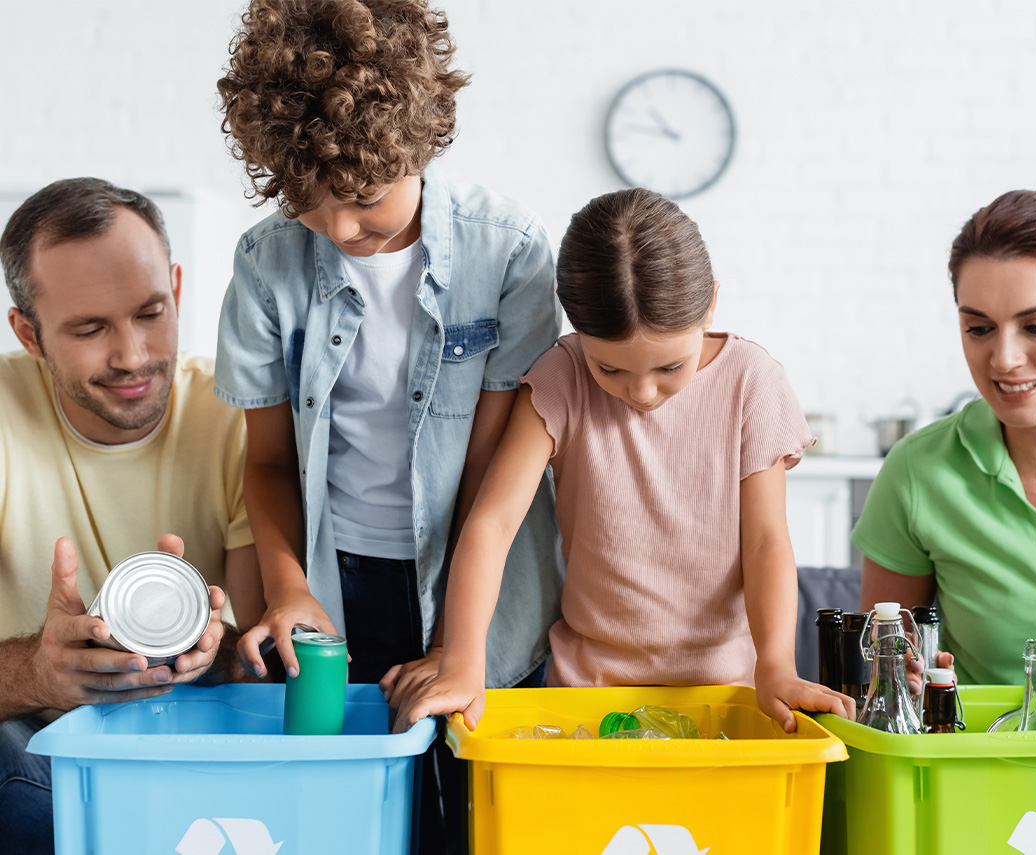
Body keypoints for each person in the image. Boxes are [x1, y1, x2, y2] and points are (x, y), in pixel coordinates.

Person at [213, 1, 563, 849]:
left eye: (364, 199)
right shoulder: (266, 263)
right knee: (358, 819)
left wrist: (458, 637)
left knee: (477, 816)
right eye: (306, 200)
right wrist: (291, 586)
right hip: (340, 583)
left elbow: (491, 480)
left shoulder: (508, 252)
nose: (337, 228)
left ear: (420, 144)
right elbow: (266, 464)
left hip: (481, 584)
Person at [396, 188, 856, 735]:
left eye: (669, 366)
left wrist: (777, 667)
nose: (642, 392)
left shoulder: (751, 382)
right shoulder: (562, 376)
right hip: (587, 693)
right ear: (576, 329)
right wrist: (464, 664)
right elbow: (492, 525)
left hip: (725, 692)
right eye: (610, 370)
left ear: (709, 303)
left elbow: (765, 543)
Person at [0, 177, 262, 855]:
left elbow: (262, 663)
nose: (133, 355)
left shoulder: (238, 420)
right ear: (28, 332)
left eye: (151, 312)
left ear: (176, 286)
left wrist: (214, 649)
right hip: (30, 752)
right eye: (89, 329)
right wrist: (38, 673)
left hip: (193, 743)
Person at [855, 189, 1036, 723]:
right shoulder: (919, 471)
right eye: (979, 328)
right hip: (986, 785)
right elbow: (882, 676)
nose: (1004, 359)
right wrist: (900, 679)